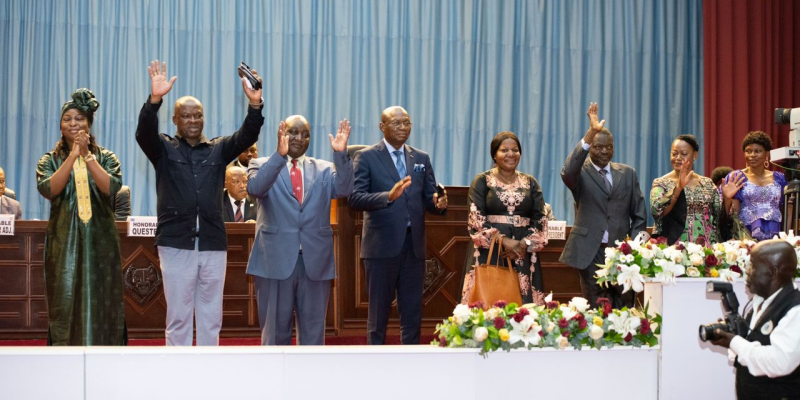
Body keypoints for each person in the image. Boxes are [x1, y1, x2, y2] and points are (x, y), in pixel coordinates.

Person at [135, 60, 264, 346]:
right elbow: (143, 133)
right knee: (179, 317)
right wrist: (155, 100)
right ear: (176, 120)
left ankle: (209, 377)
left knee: (210, 317)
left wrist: (255, 105)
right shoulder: (164, 149)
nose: (193, 121)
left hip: (212, 244)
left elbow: (248, 135)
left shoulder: (218, 149)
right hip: (175, 243)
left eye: (198, 116)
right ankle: (178, 379)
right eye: (186, 116)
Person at [246, 115, 353, 345]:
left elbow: (344, 189)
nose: (299, 138)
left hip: (315, 262)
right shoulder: (262, 164)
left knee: (314, 336)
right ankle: (274, 380)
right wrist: (279, 156)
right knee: (275, 334)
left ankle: (310, 381)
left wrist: (340, 155)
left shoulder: (325, 169)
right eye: (293, 132)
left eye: (305, 134)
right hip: (274, 261)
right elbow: (255, 189)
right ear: (282, 133)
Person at [349, 106, 447, 345]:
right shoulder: (367, 156)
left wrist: (439, 203)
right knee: (378, 314)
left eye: (407, 123)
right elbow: (355, 198)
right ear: (382, 127)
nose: (403, 128)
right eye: (396, 123)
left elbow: (428, 199)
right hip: (381, 247)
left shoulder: (421, 157)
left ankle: (411, 363)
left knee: (412, 312)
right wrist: (387, 197)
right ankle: (375, 363)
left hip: (414, 246)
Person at [36, 88, 126, 345]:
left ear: (89, 123)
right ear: (60, 125)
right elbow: (49, 189)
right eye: (67, 119)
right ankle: (64, 353)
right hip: (64, 240)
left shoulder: (106, 157)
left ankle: (106, 350)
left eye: (79, 118)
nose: (73, 123)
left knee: (103, 295)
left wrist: (86, 155)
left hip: (102, 240)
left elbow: (111, 187)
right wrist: (73, 155)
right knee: (65, 296)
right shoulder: (49, 159)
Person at [560, 102, 647, 309]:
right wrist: (591, 134)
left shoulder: (627, 173)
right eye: (598, 147)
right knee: (596, 308)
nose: (604, 151)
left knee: (624, 307)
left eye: (609, 146)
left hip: (621, 252)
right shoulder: (579, 173)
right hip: (591, 251)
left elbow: (640, 216)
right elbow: (567, 171)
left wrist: (632, 248)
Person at [461, 131, 549, 305]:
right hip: (490, 251)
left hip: (523, 252)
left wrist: (523, 244)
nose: (510, 154)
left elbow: (540, 218)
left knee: (525, 308)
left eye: (515, 150)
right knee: (488, 303)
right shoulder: (482, 181)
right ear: (494, 154)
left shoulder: (530, 182)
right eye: (504, 150)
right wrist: (504, 241)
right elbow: (476, 217)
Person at [710, 239, 800, 398]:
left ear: (773, 272)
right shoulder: (759, 303)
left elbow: (779, 363)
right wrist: (730, 338)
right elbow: (750, 351)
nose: (747, 271)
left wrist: (734, 342)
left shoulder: (795, 309)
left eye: (753, 266)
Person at [650, 135, 721, 244]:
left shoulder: (707, 183)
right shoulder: (661, 183)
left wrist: (728, 199)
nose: (678, 158)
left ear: (695, 155)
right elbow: (658, 212)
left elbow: (718, 216)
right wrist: (678, 188)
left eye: (683, 154)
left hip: (705, 247)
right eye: (674, 153)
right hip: (673, 247)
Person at [722, 131, 787, 241]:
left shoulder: (780, 178)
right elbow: (731, 216)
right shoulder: (736, 177)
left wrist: (786, 235)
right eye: (748, 151)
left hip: (776, 236)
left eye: (757, 151)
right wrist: (727, 198)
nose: (752, 155)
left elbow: (788, 210)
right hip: (746, 236)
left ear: (767, 154)